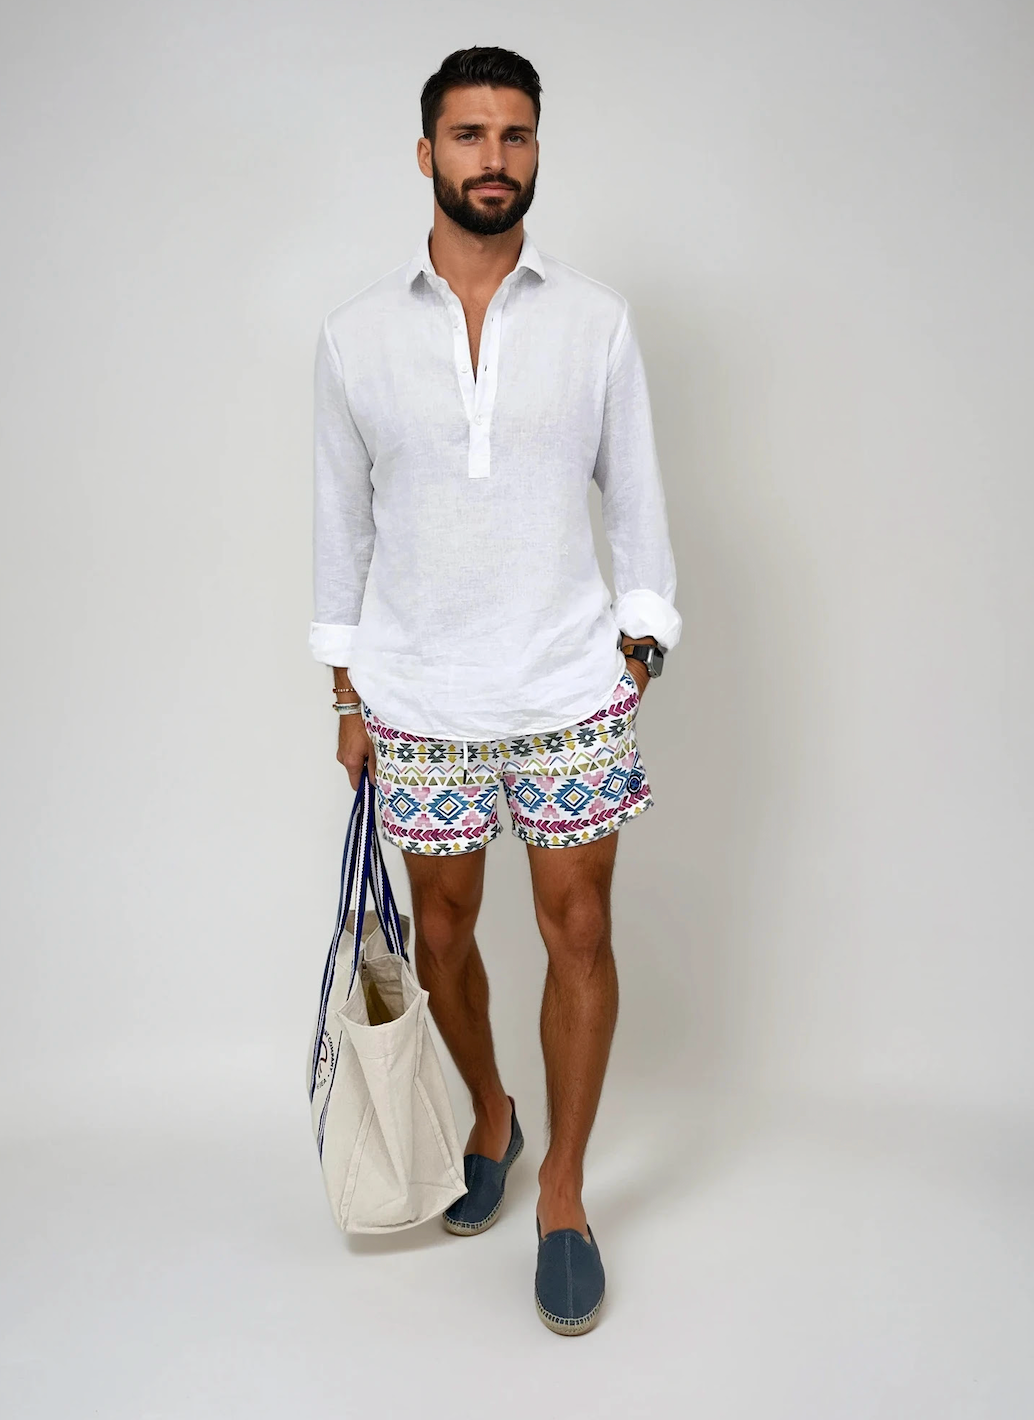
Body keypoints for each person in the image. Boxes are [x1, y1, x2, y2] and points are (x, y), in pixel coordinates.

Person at [308, 45, 681, 1335]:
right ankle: (493, 1116)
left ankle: (562, 1194)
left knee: (580, 933)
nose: (493, 158)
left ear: (535, 152)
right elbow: (339, 526)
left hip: (569, 682)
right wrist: (348, 696)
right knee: (443, 939)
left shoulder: (595, 320)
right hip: (419, 693)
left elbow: (636, 496)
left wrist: (637, 645)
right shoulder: (357, 334)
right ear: (427, 153)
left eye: (514, 135)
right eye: (468, 135)